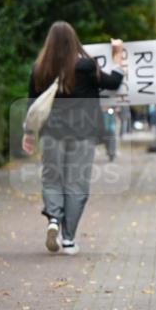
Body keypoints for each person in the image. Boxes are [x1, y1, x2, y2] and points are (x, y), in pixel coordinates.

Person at [22, 22, 125, 255]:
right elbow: (114, 82)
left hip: (50, 134)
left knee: (51, 181)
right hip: (82, 135)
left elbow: (32, 106)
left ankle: (54, 221)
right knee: (76, 185)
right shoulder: (87, 66)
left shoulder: (39, 68)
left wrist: (28, 134)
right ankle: (68, 239)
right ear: (74, 41)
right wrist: (117, 56)